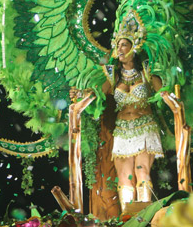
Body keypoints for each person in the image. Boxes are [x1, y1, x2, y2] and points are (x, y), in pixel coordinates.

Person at [70, 12, 165, 214]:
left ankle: (144, 218)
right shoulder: (113, 75)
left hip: (144, 127)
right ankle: (128, 219)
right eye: (118, 45)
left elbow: (164, 94)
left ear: (134, 47)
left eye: (123, 45)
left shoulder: (147, 72)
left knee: (142, 174)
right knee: (124, 179)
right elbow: (97, 94)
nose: (119, 49)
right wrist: (80, 94)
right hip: (122, 130)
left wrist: (171, 97)